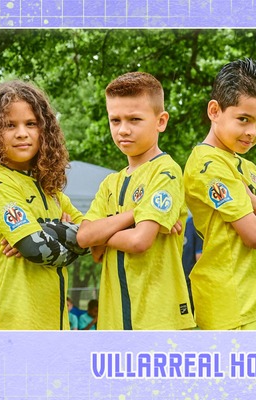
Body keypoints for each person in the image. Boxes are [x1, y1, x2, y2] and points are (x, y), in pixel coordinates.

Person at [0, 81, 87, 339]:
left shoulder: (50, 190)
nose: (22, 133)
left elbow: (91, 236)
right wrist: (67, 235)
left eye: (31, 123)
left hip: (52, 324)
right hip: (9, 324)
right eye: (10, 125)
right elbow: (36, 249)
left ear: (44, 130)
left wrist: (47, 230)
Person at [77, 72, 196, 330]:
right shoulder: (110, 183)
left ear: (160, 121)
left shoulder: (166, 171)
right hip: (113, 323)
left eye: (134, 119)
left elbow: (139, 241)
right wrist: (135, 215)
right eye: (115, 120)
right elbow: (85, 239)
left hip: (158, 320)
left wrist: (103, 233)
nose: (123, 129)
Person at [183, 58, 256, 330]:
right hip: (231, 304)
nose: (252, 132)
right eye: (243, 119)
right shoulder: (207, 164)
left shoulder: (248, 168)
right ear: (214, 111)